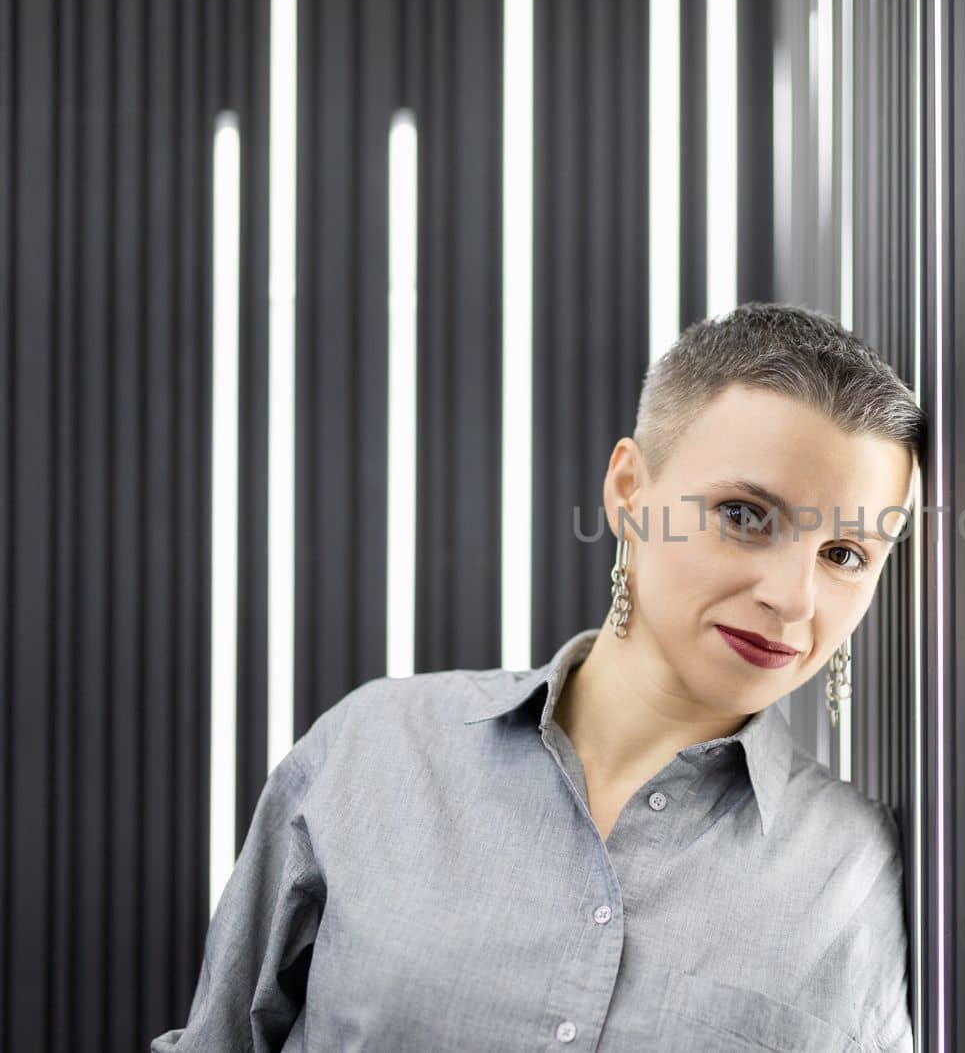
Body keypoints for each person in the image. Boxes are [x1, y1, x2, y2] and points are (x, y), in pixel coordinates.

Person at [153, 302, 924, 1052]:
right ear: (630, 493)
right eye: (745, 515)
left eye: (845, 554)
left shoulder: (866, 879)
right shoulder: (376, 750)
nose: (793, 597)